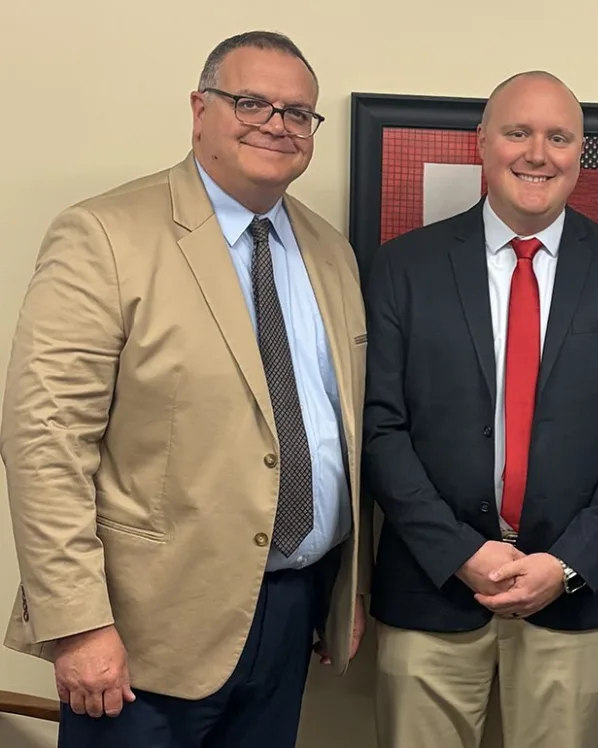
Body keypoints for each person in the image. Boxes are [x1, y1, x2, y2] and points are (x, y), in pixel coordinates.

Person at [0, 30, 372, 748]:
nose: (277, 123)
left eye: (299, 113)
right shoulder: (106, 235)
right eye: (252, 102)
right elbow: (44, 440)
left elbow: (340, 429)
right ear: (200, 110)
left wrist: (345, 588)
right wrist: (77, 624)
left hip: (294, 607)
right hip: (144, 633)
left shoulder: (330, 251)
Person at [362, 70, 598, 748]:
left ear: (579, 153)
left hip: (575, 594)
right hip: (432, 590)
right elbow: (380, 429)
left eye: (559, 137)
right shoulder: (403, 267)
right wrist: (460, 552)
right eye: (518, 132)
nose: (538, 153)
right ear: (481, 142)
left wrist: (565, 563)